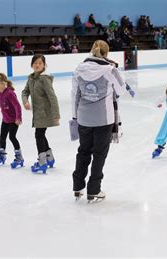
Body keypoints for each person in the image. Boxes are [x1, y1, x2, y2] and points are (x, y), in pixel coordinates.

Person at [71, 40, 129, 203]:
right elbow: (121, 90)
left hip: (84, 118)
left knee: (83, 151)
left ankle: (77, 186)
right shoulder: (110, 70)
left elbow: (75, 95)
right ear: (106, 53)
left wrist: (75, 117)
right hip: (104, 119)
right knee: (99, 154)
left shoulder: (79, 69)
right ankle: (94, 190)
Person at [22, 54, 60, 174]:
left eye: (40, 63)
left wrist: (56, 114)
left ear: (44, 65)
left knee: (39, 134)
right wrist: (25, 101)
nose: (37, 65)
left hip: (44, 112)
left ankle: (42, 162)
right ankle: (50, 158)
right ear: (32, 65)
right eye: (35, 63)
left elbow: (52, 96)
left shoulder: (44, 79)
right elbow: (25, 91)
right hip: (37, 112)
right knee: (41, 134)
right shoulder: (31, 78)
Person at [0, 73, 24, 168]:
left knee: (12, 137)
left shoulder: (10, 93)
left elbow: (17, 106)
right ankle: (2, 155)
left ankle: (19, 157)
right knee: (2, 137)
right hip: (5, 120)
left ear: (4, 83)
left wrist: (18, 118)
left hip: (14, 120)